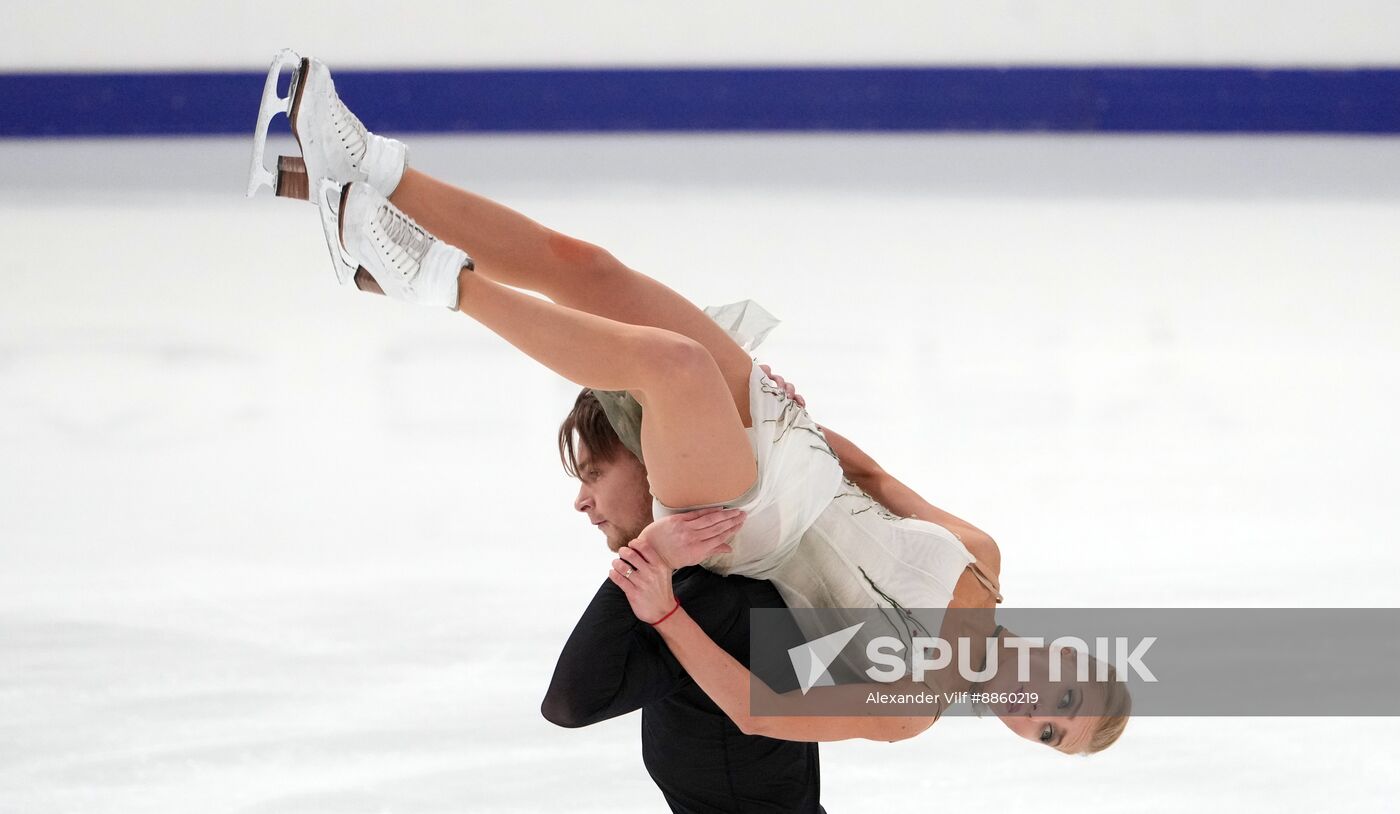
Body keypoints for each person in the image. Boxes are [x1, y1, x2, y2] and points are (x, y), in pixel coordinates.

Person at [249, 51, 1130, 755]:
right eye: (1066, 695)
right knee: (594, 271)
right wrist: (794, 415)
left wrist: (667, 611)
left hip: (755, 527)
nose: (1037, 708)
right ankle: (364, 166)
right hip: (796, 453)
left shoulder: (911, 706)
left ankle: (419, 273)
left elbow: (755, 710)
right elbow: (877, 477)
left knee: (668, 366)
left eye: (1049, 731)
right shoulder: (983, 557)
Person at [541, 388, 826, 813]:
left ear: (652, 464)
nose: (581, 500)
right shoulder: (735, 576)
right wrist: (763, 412)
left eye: (594, 473)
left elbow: (569, 704)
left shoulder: (718, 600)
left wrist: (646, 556)